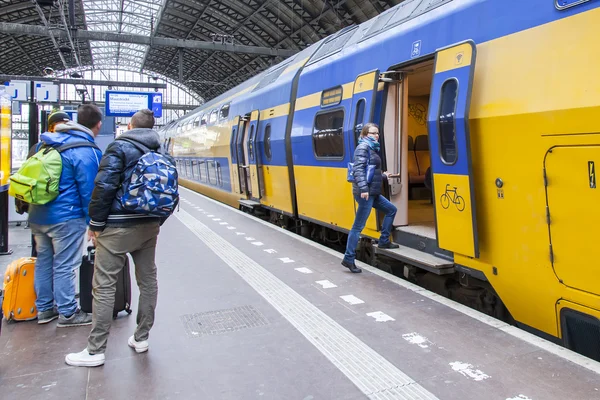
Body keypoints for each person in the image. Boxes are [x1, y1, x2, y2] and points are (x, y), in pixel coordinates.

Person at [66, 109, 164, 367]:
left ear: (129, 126)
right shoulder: (159, 151)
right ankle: (141, 338)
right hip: (149, 226)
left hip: (118, 227)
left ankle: (96, 349)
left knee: (105, 284)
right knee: (148, 281)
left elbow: (104, 186)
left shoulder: (118, 147)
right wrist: (156, 222)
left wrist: (96, 224)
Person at [28, 105, 103, 325]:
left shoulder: (48, 142)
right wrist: (94, 223)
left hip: (38, 214)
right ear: (98, 125)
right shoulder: (85, 148)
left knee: (43, 260)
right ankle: (68, 312)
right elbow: (90, 191)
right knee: (65, 264)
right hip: (65, 217)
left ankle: (44, 309)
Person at [342, 123, 399, 274]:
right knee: (358, 227)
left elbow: (370, 171)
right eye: (373, 133)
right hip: (365, 193)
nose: (376, 135)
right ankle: (348, 258)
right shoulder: (363, 148)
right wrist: (364, 189)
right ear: (365, 134)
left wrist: (383, 176)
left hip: (372, 192)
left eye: (377, 133)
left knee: (391, 210)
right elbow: (358, 170)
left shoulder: (371, 148)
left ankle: (384, 241)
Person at [15, 111, 73, 257]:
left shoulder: (37, 148)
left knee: (41, 257)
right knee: (62, 262)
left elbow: (26, 176)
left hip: (37, 210)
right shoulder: (71, 148)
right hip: (62, 213)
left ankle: (35, 279)